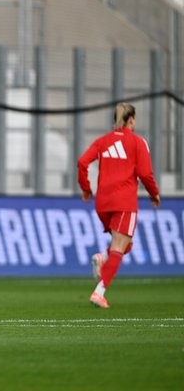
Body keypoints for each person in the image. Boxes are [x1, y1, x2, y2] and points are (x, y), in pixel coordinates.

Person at [77, 102, 161, 308]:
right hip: (123, 202)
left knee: (126, 244)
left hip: (102, 203)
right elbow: (145, 174)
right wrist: (154, 193)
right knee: (119, 247)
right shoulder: (138, 142)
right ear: (131, 120)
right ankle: (99, 292)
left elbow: (82, 162)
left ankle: (102, 257)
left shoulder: (102, 141)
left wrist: (86, 188)